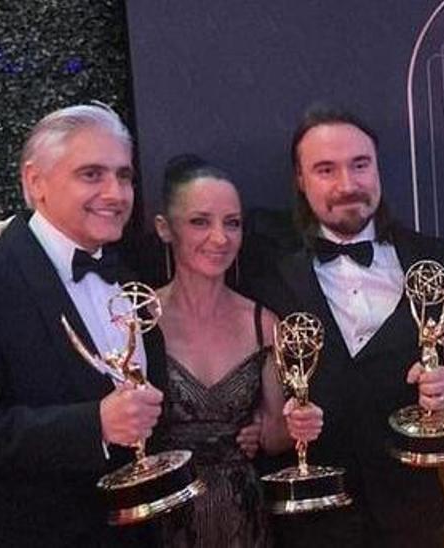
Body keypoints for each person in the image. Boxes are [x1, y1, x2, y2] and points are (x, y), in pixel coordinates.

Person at [0, 104, 165, 546]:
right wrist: (93, 425)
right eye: (91, 174)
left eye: (124, 176)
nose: (116, 193)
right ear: (35, 181)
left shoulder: (128, 279)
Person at [247, 106, 444, 547]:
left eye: (359, 165)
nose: (347, 185)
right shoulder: (263, 272)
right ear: (301, 182)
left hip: (416, 517)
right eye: (326, 170)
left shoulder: (437, 260)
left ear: (378, 168)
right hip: (311, 523)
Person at [149, 155, 323, 547]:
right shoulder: (138, 322)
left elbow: (277, 438)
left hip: (244, 519)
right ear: (164, 228)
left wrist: (292, 425)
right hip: (162, 519)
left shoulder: (264, 323)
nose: (220, 238)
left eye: (232, 223)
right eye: (200, 222)